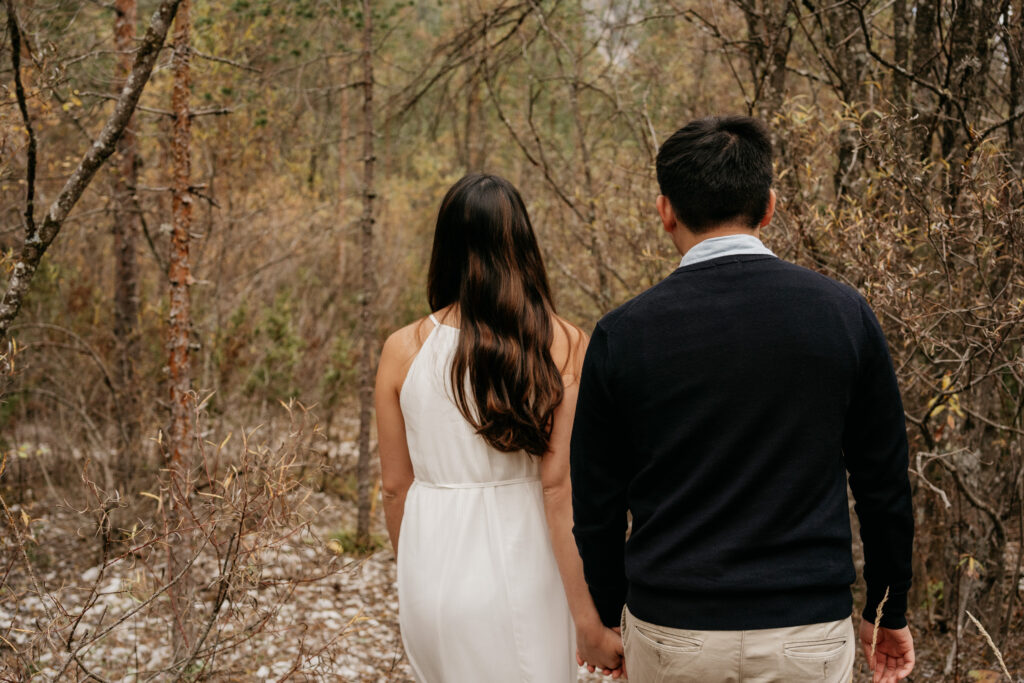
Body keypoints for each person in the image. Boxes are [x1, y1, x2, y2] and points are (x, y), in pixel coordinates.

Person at [569, 116, 916, 683]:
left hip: (673, 629)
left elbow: (597, 504)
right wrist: (887, 609)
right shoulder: (842, 316)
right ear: (769, 205)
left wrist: (610, 614)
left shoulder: (622, 334)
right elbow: (883, 484)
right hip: (805, 631)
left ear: (665, 212)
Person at [375, 173, 624, 682]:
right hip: (527, 566)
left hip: (430, 566)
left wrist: (415, 573)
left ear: (444, 247)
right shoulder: (564, 343)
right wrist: (589, 619)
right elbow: (559, 489)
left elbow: (395, 487)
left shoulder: (403, 348)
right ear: (523, 245)